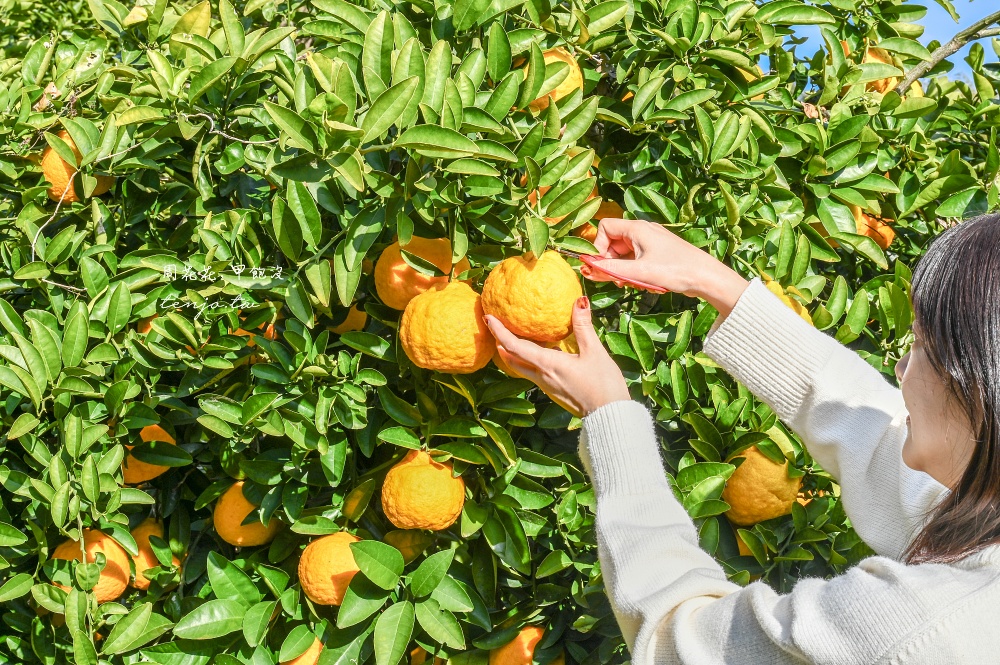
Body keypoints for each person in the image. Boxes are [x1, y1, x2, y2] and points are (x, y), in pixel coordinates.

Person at [484, 216, 1000, 664]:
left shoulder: (913, 630)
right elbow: (878, 434)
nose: (900, 366)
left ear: (979, 385)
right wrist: (712, 282)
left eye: (922, 344)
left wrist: (609, 415)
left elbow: (672, 644)